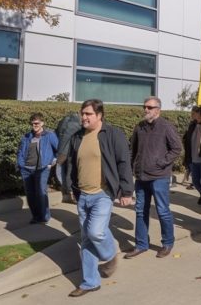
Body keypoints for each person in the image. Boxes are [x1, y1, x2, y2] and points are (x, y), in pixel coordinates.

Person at [67, 99, 134, 297]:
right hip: (83, 194)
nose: (84, 117)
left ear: (99, 115)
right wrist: (71, 188)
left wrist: (127, 191)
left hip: (103, 194)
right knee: (86, 239)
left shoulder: (112, 134)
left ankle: (110, 254)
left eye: (88, 114)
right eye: (82, 113)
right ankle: (90, 282)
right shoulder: (77, 137)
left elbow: (123, 163)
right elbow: (73, 165)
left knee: (95, 233)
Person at [125, 96, 182, 259]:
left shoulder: (166, 127)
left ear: (158, 110)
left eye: (150, 107)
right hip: (141, 177)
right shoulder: (139, 127)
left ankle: (167, 243)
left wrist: (161, 162)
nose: (146, 110)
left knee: (163, 211)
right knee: (140, 211)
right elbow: (132, 151)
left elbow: (176, 148)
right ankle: (141, 244)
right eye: (145, 107)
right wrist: (130, 170)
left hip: (159, 177)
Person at [17, 113, 58, 224]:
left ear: (42, 123)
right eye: (32, 123)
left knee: (41, 191)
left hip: (42, 168)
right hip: (26, 169)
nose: (34, 125)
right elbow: (20, 151)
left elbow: (59, 150)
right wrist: (21, 164)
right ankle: (36, 217)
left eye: (37, 123)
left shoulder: (49, 135)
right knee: (30, 194)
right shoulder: (27, 136)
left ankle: (44, 217)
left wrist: (52, 162)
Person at [55, 112, 81, 203]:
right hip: (70, 151)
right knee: (70, 170)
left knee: (63, 170)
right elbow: (66, 138)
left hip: (63, 151)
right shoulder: (76, 124)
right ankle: (71, 193)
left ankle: (68, 191)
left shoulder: (64, 121)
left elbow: (59, 133)